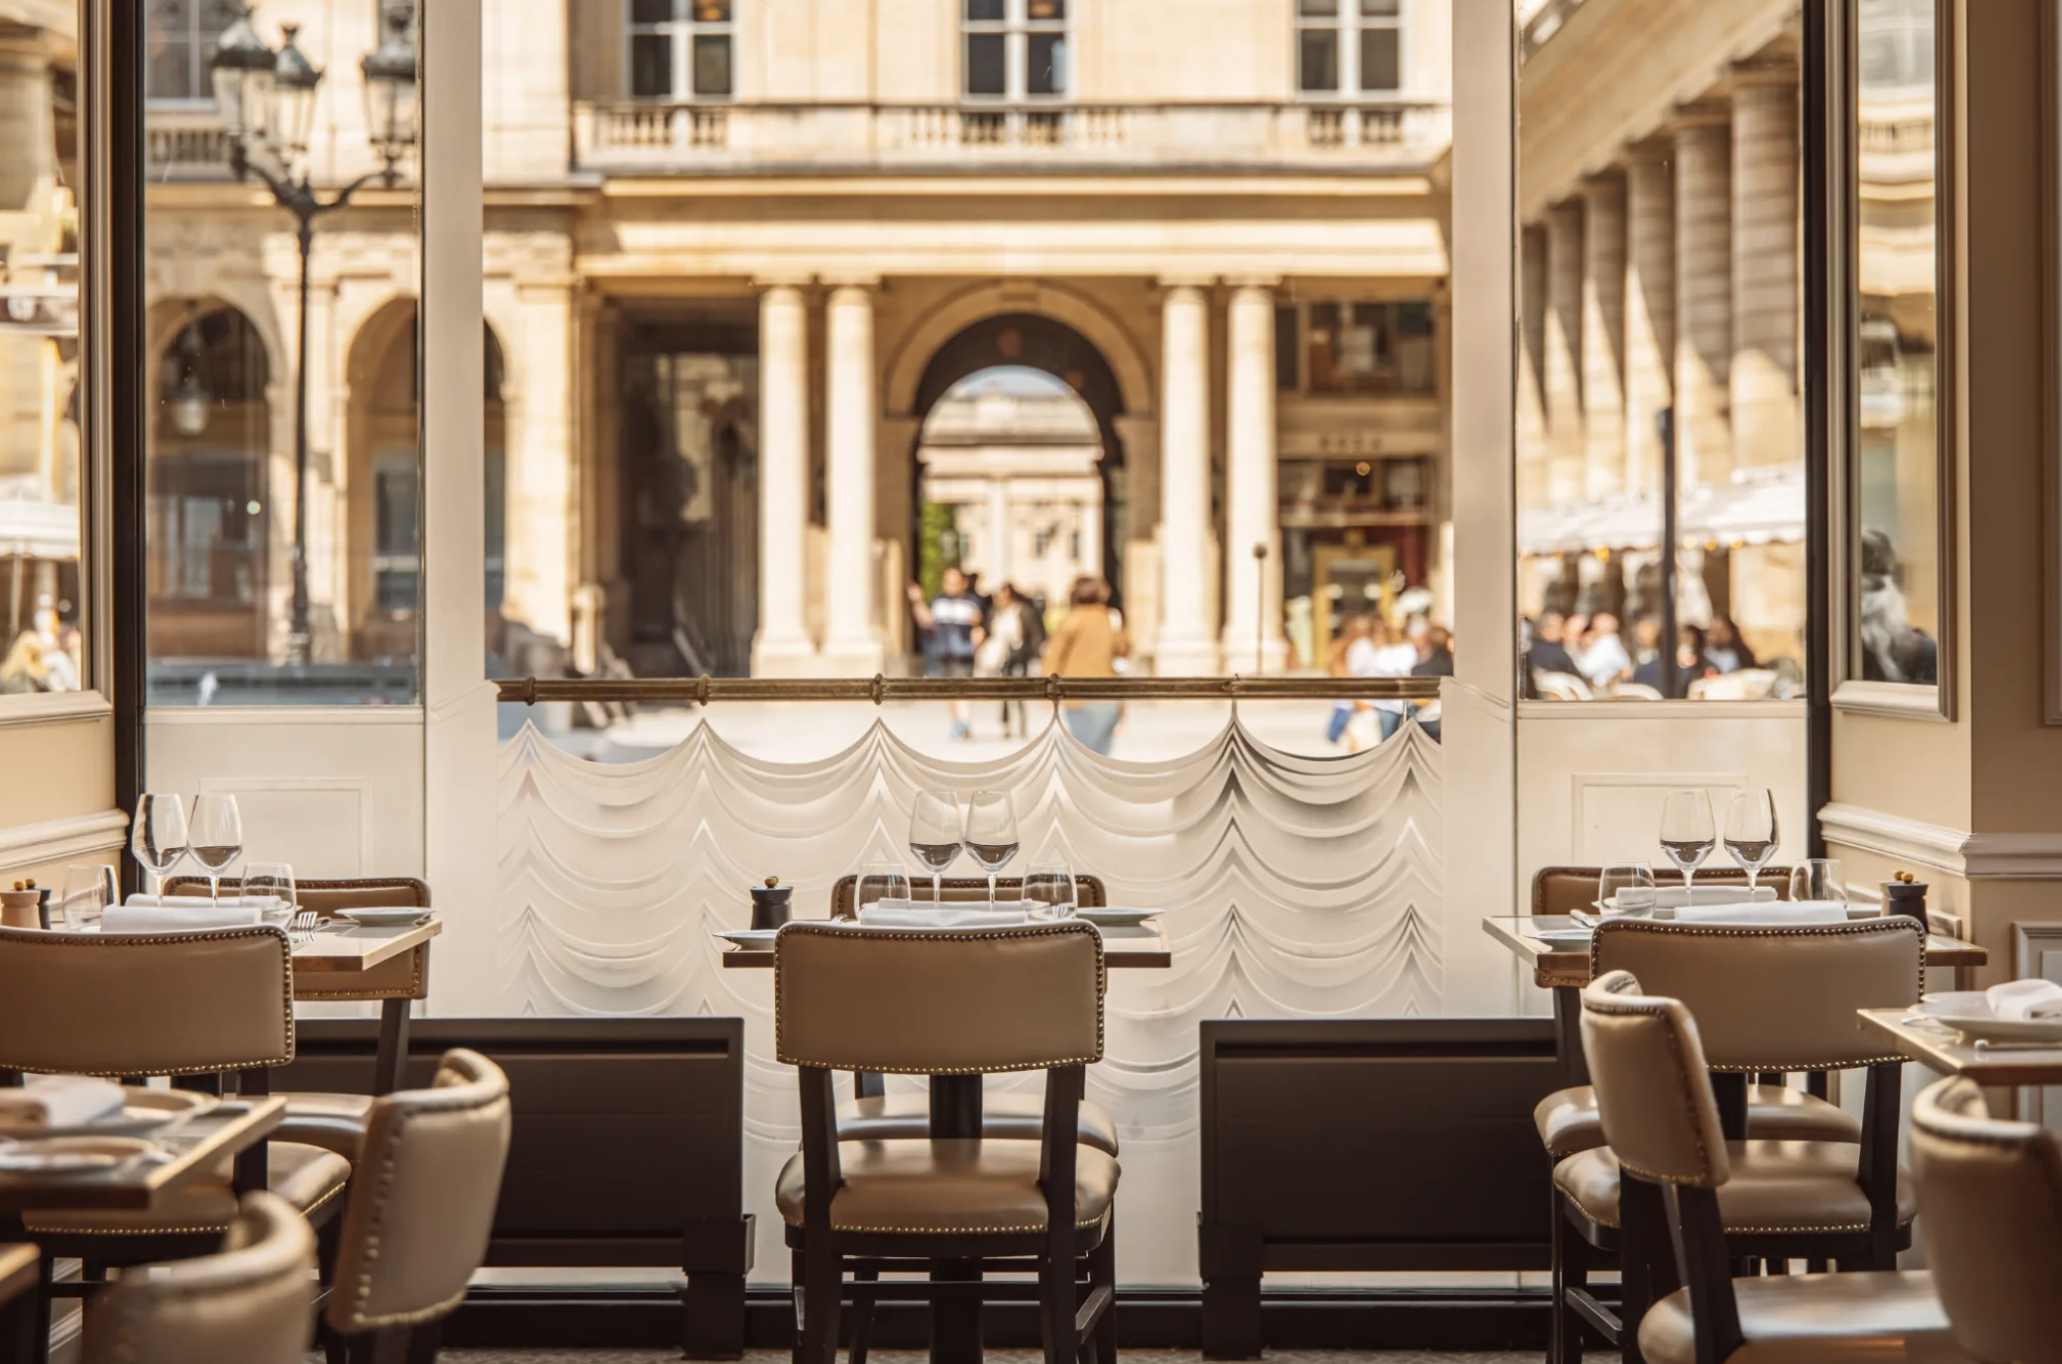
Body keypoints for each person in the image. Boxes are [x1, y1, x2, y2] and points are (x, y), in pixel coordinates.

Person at [1041, 576, 1129, 755]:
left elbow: (1054, 657)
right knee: (1102, 748)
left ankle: (1086, 780)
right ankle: (1098, 779)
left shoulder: (1070, 620)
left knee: (1083, 746)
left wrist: (1047, 689)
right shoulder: (1109, 618)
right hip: (1107, 690)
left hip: (1076, 692)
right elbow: (1123, 648)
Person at [907, 567, 985, 741]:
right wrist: (917, 601)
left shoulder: (971, 602)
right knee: (949, 690)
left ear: (963, 583)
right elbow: (927, 621)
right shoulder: (939, 601)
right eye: (948, 581)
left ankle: (964, 721)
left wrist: (976, 642)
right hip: (943, 652)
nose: (951, 585)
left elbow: (979, 625)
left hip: (963, 653)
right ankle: (957, 722)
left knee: (962, 688)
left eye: (955, 581)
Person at [1324, 615, 1375, 745]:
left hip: (1348, 695)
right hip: (1351, 695)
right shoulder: (1354, 646)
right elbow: (1340, 671)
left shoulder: (1354, 646)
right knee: (1341, 734)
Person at [1577, 611, 1632, 689]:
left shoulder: (1605, 643)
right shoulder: (1612, 643)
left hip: (1603, 692)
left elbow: (1586, 669)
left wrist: (1584, 648)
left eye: (1594, 626)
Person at [1525, 610, 1580, 685]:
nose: (1561, 631)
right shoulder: (1559, 655)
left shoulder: (1529, 649)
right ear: (1543, 629)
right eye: (1559, 627)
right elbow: (1579, 678)